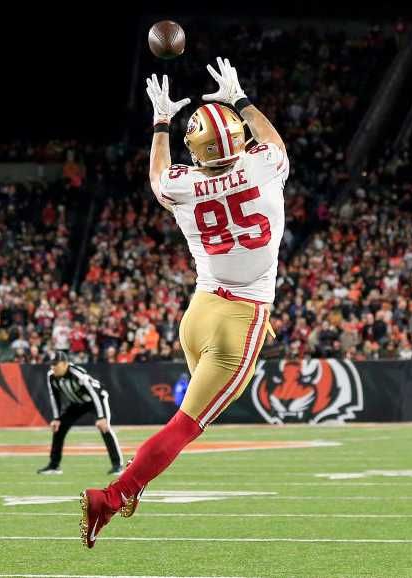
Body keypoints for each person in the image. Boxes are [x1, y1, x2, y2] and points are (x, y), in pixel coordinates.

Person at [81, 58, 287, 548]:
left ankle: (135, 480)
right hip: (242, 318)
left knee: (197, 411)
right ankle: (113, 496)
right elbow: (272, 141)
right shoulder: (264, 167)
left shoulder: (183, 185)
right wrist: (239, 98)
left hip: (198, 313)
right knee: (186, 425)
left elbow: (157, 175)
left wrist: (160, 123)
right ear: (239, 138)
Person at [37, 351, 123, 475]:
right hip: (77, 403)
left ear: (65, 364)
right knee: (58, 428)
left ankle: (117, 465)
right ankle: (54, 465)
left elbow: (94, 393)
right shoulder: (51, 376)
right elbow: (54, 396)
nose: (53, 367)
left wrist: (101, 416)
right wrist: (56, 418)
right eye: (52, 364)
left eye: (56, 364)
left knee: (104, 428)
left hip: (97, 399)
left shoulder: (77, 374)